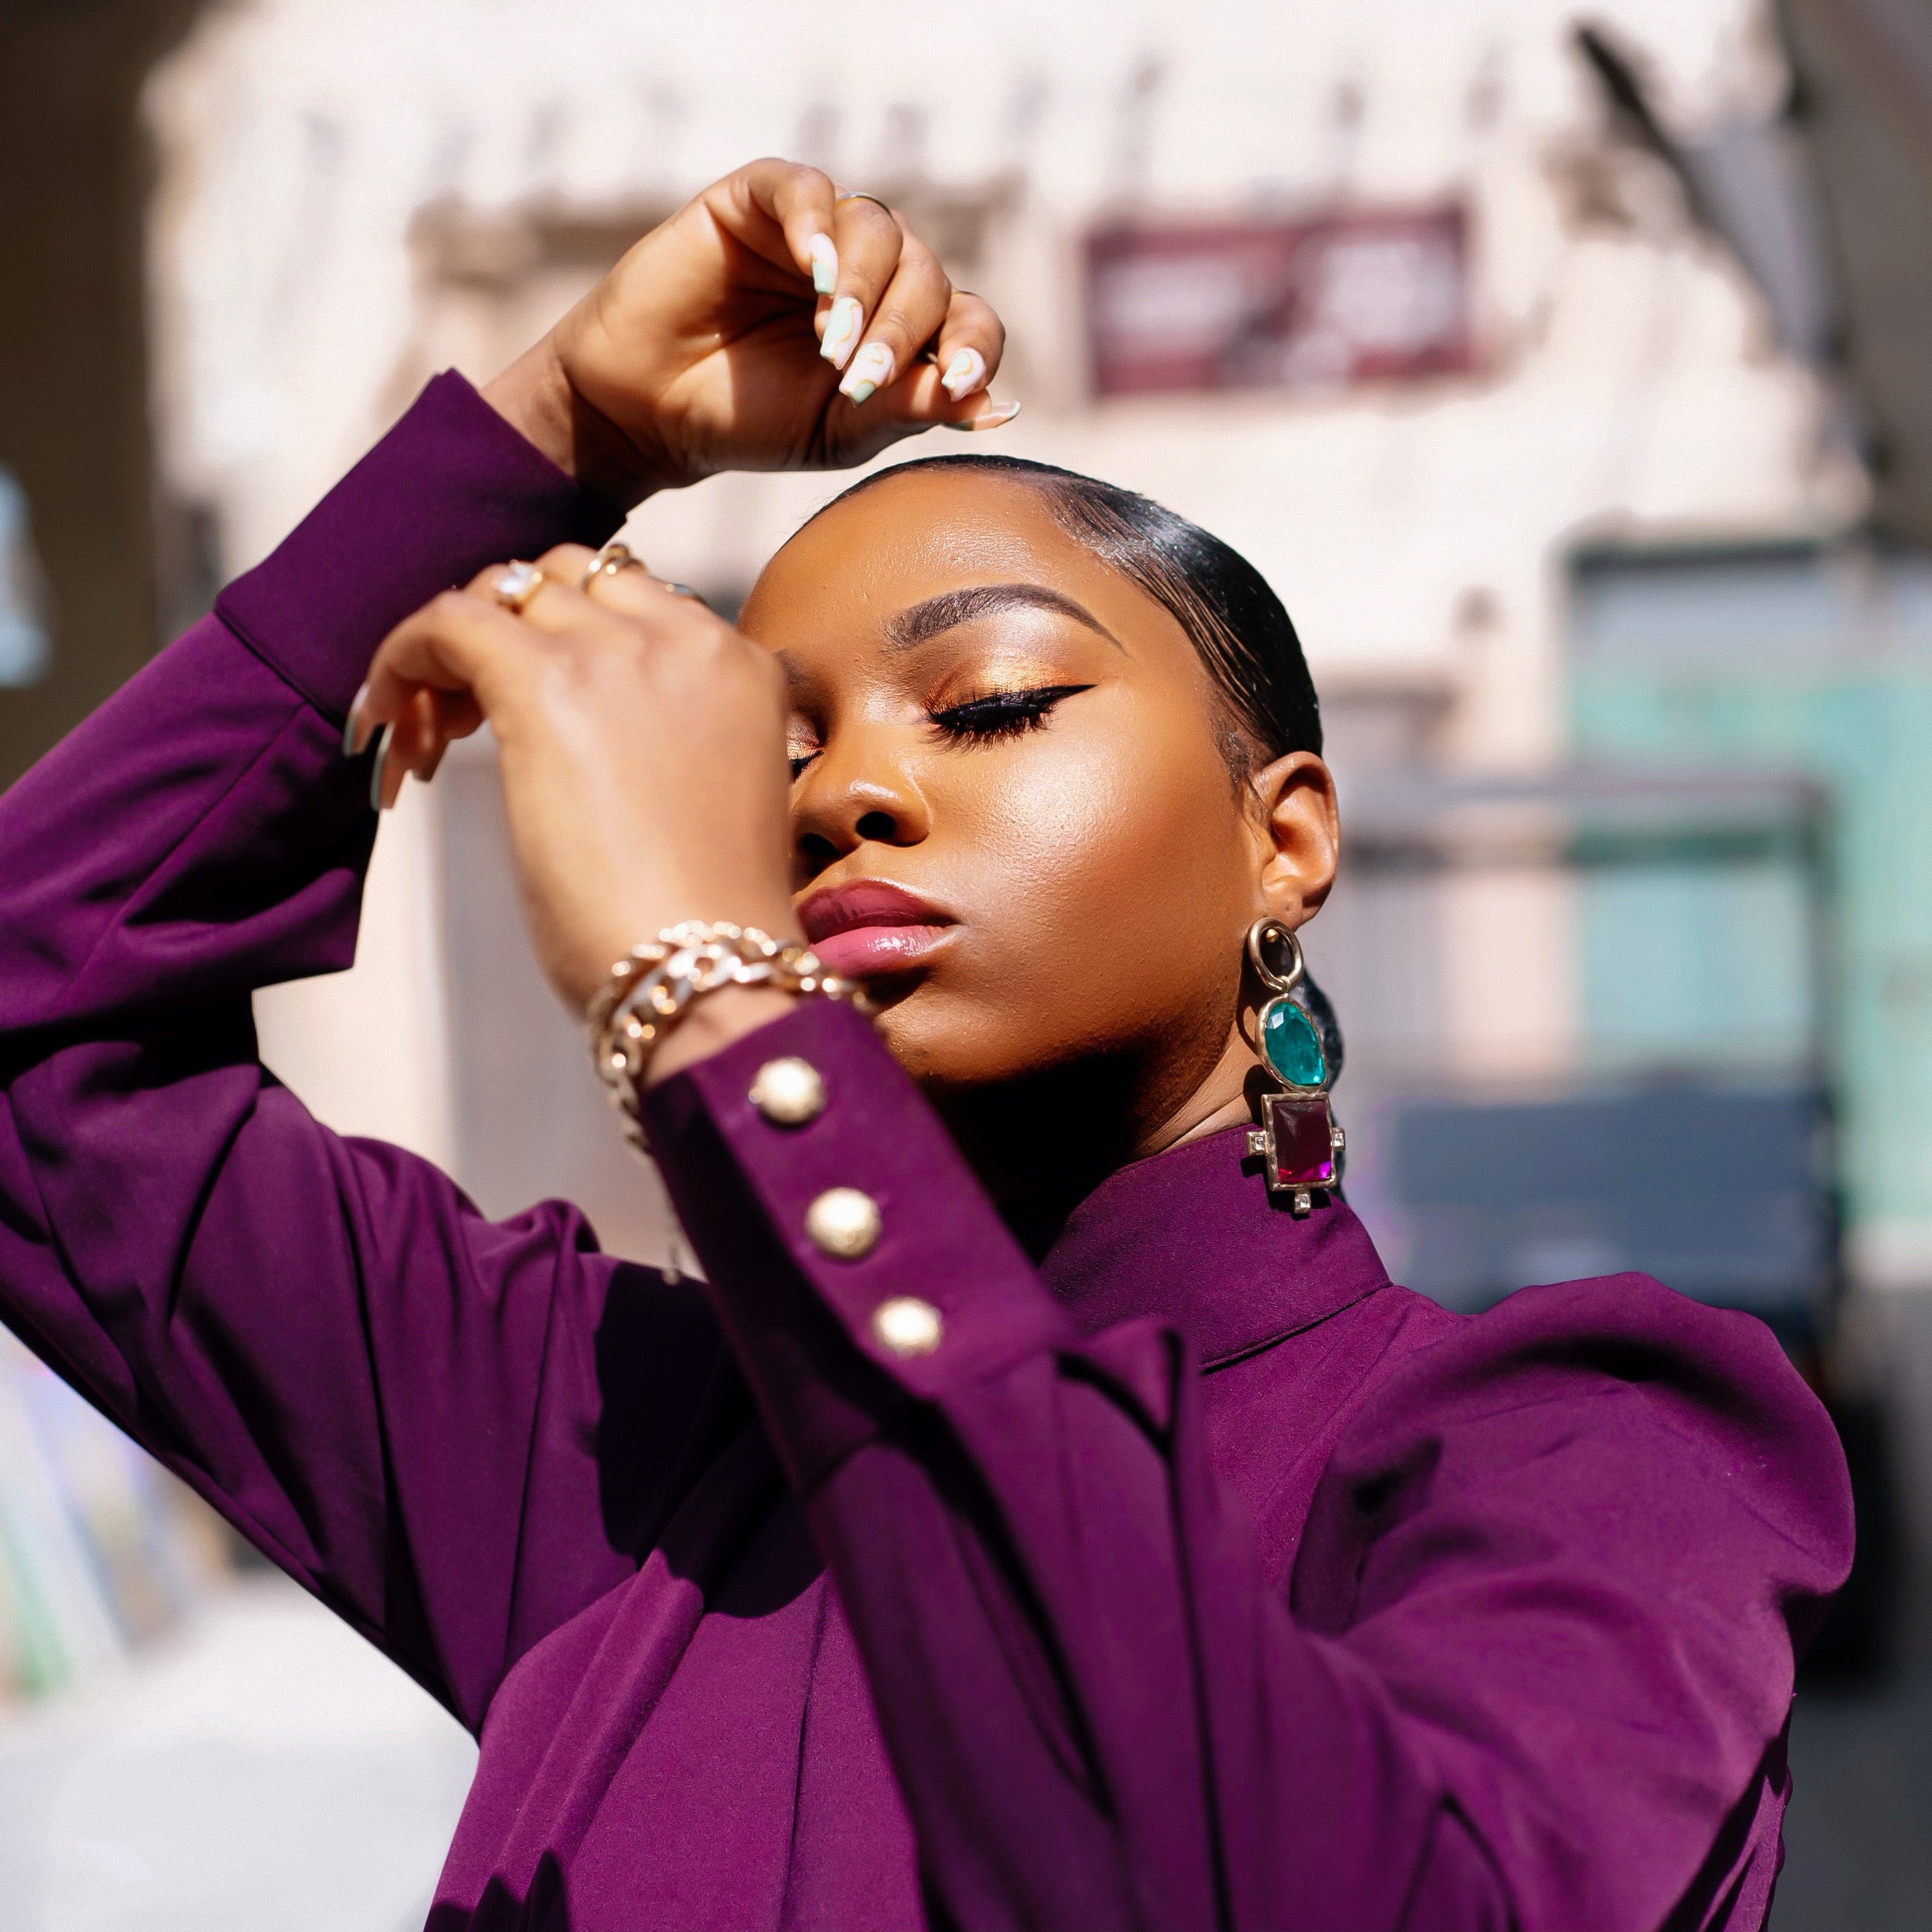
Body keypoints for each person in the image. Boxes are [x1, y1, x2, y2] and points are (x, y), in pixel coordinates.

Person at [0, 158, 1849, 1930]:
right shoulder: (605, 1455)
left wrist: (716, 1009)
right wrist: (559, 438)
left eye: (989, 703)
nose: (844, 796)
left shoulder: (1587, 1448)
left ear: (1281, 840)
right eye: (769, 753)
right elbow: (40, 1033)